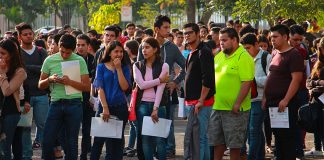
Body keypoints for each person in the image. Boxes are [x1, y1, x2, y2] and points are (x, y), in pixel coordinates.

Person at [137, 15, 186, 158]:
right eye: (165, 27)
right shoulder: (144, 46)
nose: (168, 30)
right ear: (156, 29)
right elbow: (140, 68)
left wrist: (175, 82)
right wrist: (158, 80)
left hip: (165, 95)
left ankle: (168, 151)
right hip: (145, 94)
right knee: (146, 133)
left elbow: (185, 66)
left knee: (164, 129)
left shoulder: (172, 47)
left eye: (169, 27)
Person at [39, 34, 91, 160]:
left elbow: (87, 87)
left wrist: (70, 82)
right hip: (56, 103)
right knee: (47, 140)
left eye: (68, 53)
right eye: (62, 51)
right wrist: (50, 79)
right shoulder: (49, 60)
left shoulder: (80, 60)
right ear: (59, 46)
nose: (65, 55)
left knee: (71, 142)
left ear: (73, 50)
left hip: (74, 104)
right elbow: (40, 85)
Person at [209, 27, 254, 160]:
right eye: (220, 40)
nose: (221, 43)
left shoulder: (244, 56)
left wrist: (237, 103)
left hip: (235, 109)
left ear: (234, 40)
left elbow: (247, 82)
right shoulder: (219, 56)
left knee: (235, 145)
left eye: (224, 40)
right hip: (217, 106)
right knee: (217, 142)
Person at [263, 24, 304, 159]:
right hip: (272, 105)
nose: (272, 40)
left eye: (275, 37)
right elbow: (270, 77)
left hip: (286, 105)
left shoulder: (294, 54)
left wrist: (286, 99)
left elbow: (296, 80)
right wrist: (264, 97)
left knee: (287, 142)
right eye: (271, 37)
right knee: (278, 140)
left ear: (285, 37)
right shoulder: (275, 53)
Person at [91, 40, 131, 160]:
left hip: (120, 107)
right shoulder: (101, 67)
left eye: (121, 52)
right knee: (98, 140)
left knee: (116, 141)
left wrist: (118, 69)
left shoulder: (125, 68)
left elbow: (124, 87)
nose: (119, 54)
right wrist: (105, 108)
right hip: (104, 107)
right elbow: (100, 88)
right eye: (116, 51)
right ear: (109, 53)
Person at [15, 22, 49, 159]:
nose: (29, 36)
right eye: (25, 34)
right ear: (20, 37)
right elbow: (19, 71)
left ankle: (43, 150)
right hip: (24, 96)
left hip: (42, 94)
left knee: (43, 124)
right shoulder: (17, 53)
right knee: (25, 128)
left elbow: (45, 69)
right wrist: (36, 68)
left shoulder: (41, 51)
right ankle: (27, 155)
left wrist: (28, 68)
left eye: (30, 34)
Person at [182, 23, 215, 160]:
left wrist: (201, 100)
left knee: (199, 139)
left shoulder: (204, 51)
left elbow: (207, 79)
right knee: (202, 138)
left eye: (189, 33)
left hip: (201, 102)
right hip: (193, 102)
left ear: (197, 33)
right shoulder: (191, 52)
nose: (186, 35)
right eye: (185, 33)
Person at [134, 37, 169, 160]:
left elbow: (160, 89)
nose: (144, 50)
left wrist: (155, 108)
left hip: (159, 105)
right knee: (146, 138)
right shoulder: (137, 65)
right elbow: (141, 85)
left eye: (147, 47)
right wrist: (159, 80)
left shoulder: (164, 65)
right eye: (143, 47)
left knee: (160, 139)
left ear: (155, 49)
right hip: (142, 105)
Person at [240, 33, 272, 159]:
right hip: (246, 100)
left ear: (256, 45)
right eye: (244, 48)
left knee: (253, 131)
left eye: (248, 48)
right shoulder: (243, 58)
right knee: (254, 131)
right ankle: (259, 156)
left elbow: (271, 79)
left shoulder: (266, 57)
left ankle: (251, 157)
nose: (246, 51)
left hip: (260, 99)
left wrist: (253, 80)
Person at [0, 39, 27, 159]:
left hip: (10, 112)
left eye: (3, 53)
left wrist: (2, 72)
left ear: (11, 55)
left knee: (4, 148)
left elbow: (7, 91)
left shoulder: (19, 71)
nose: (0, 56)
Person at [76, 34, 96, 160]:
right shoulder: (72, 59)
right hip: (76, 97)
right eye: (78, 45)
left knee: (87, 128)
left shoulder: (93, 59)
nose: (80, 47)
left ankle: (84, 153)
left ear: (88, 46)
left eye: (83, 45)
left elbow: (93, 79)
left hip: (89, 98)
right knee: (73, 128)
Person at [305, 37, 324, 156]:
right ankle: (317, 148)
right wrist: (317, 84)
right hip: (317, 101)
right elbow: (308, 81)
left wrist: (315, 87)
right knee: (318, 126)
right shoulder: (318, 63)